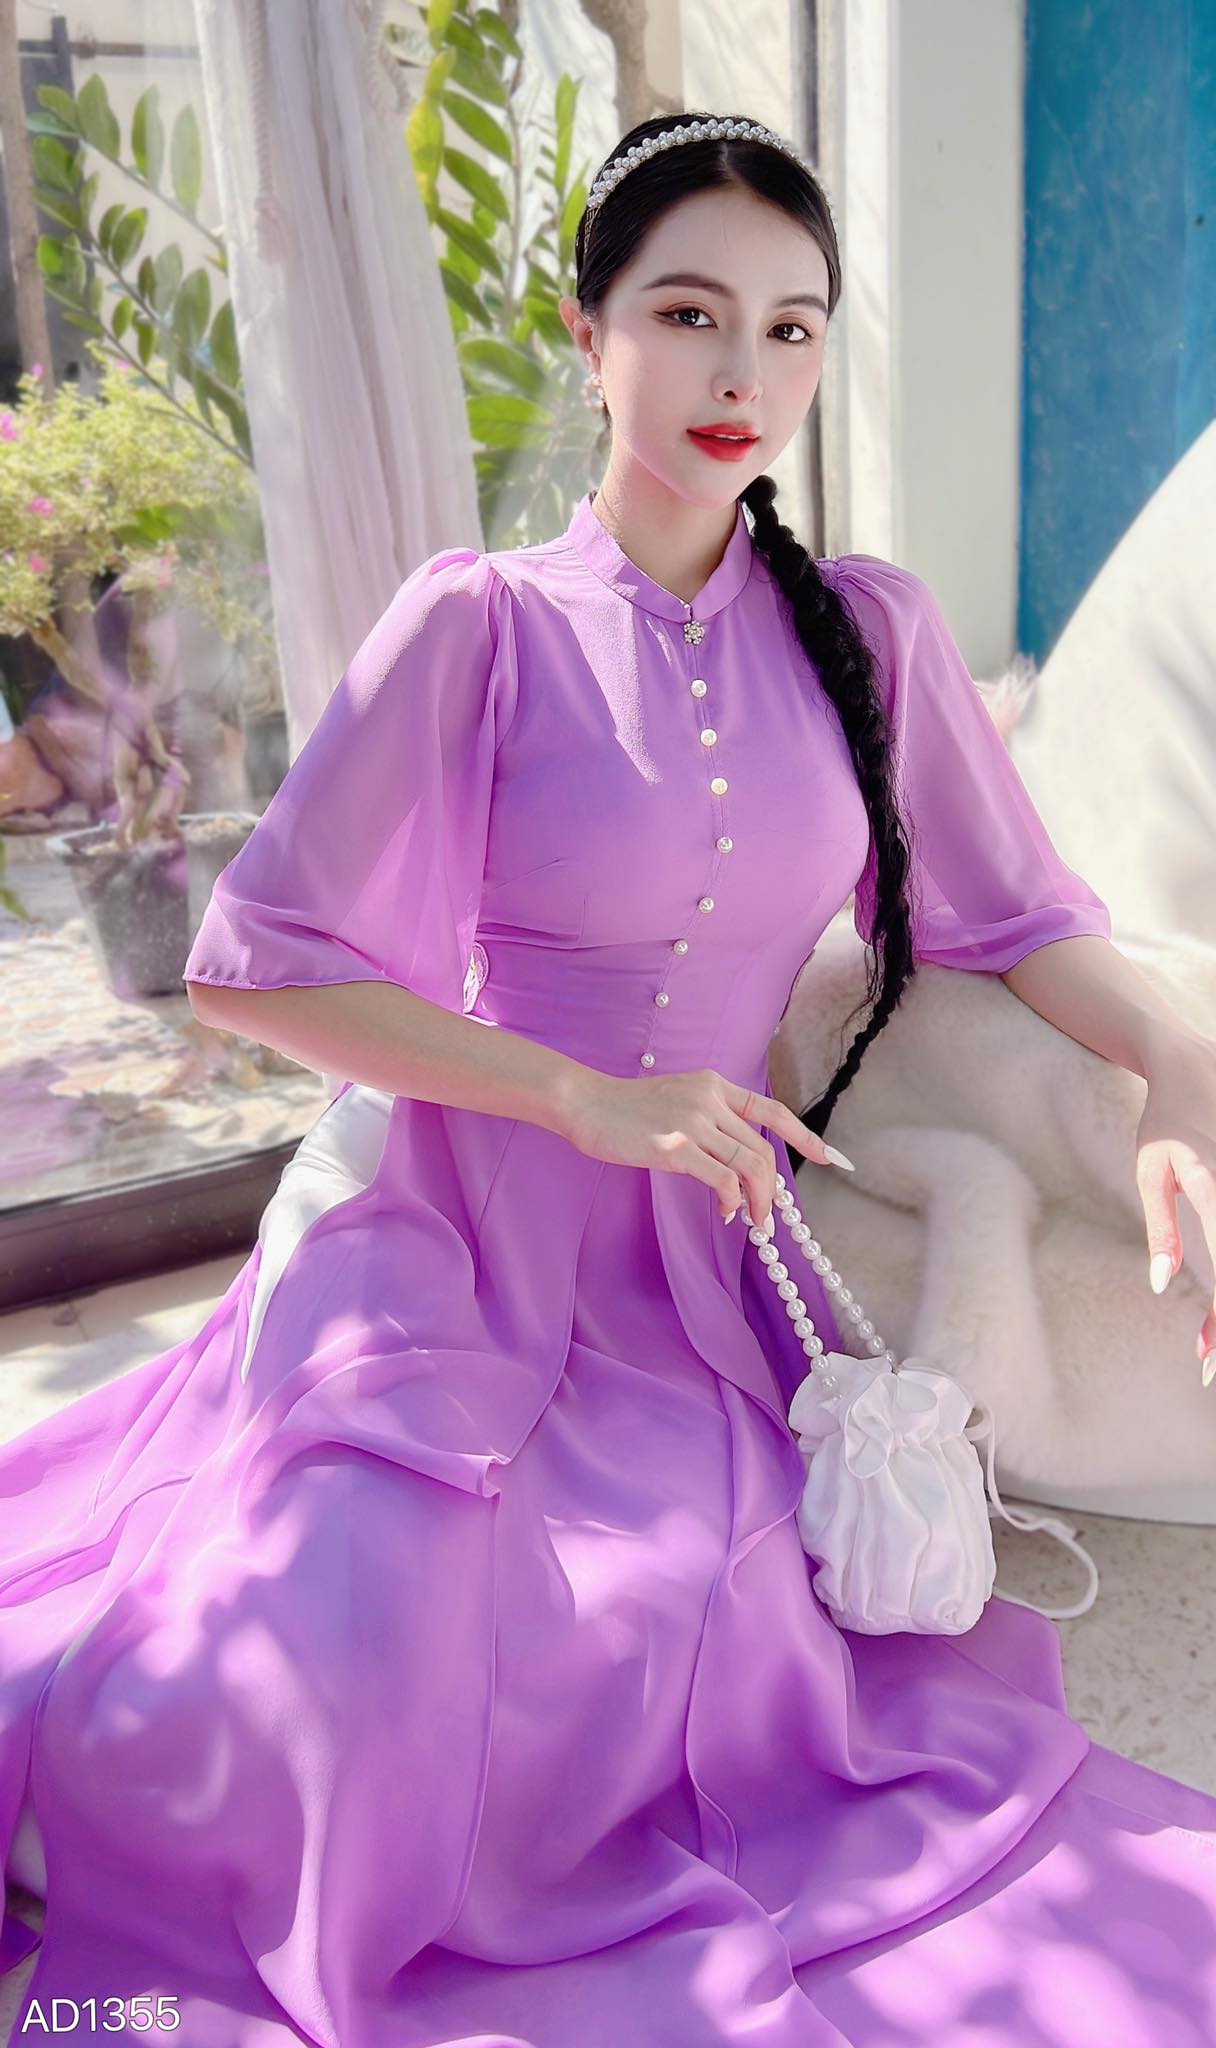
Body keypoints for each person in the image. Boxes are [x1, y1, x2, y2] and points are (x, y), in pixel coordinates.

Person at [4, 109, 1216, 2047]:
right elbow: (257, 964)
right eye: (689, 313)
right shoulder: (476, 625)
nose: (745, 373)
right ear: (589, 333)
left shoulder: (869, 632)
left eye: (792, 328)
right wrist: (579, 1099)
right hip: (441, 1230)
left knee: (658, 1633)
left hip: (693, 1275)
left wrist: (1166, 1067)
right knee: (334, 1659)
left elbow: (1011, 911)